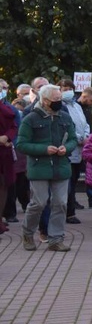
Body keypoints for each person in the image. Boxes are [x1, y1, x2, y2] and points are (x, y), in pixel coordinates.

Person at [18, 84, 78, 252]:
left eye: (60, 98)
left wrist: (67, 148)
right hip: (39, 167)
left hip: (61, 166)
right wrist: (44, 149)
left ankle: (56, 239)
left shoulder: (65, 117)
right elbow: (21, 144)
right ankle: (28, 233)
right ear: (44, 100)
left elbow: (73, 138)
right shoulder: (30, 118)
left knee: (60, 203)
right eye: (56, 100)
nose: (59, 102)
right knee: (38, 203)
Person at [58, 79, 90, 225]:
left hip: (80, 149)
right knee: (68, 183)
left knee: (74, 179)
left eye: (69, 88)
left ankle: (70, 210)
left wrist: (86, 137)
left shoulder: (76, 106)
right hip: (69, 149)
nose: (67, 91)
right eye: (64, 88)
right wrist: (78, 139)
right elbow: (66, 127)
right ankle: (68, 212)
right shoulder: (60, 106)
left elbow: (84, 123)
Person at [0, 80, 19, 235]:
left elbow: (13, 126)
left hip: (4, 153)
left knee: (4, 186)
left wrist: (7, 137)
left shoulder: (7, 109)